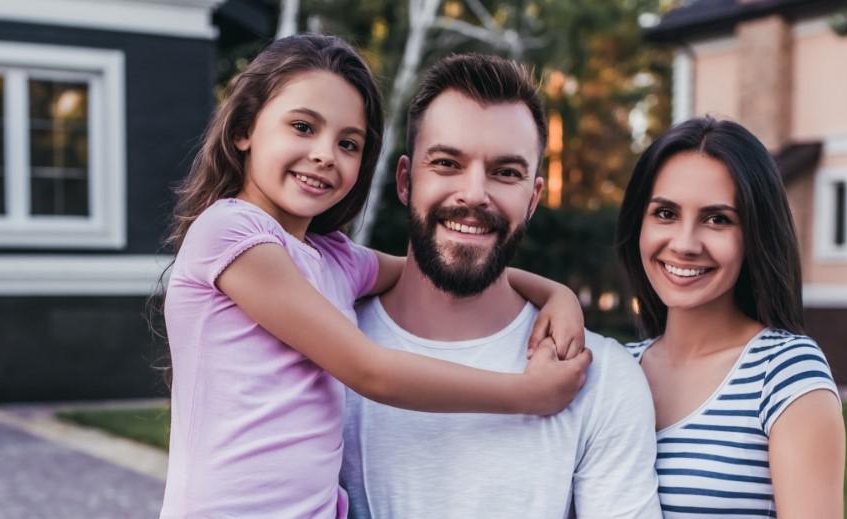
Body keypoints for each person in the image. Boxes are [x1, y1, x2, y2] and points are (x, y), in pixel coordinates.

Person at [159, 34, 593, 518]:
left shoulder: (335, 259)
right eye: (303, 127)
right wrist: (527, 395)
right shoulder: (229, 233)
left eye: (348, 143)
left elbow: (434, 265)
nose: (325, 154)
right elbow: (371, 370)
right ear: (244, 128)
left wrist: (556, 295)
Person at [339, 53, 662, 519]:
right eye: (448, 163)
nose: (474, 194)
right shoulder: (328, 352)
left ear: (533, 199)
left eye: (506, 172)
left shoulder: (598, 379)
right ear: (406, 181)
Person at [615, 117, 846, 518]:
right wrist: (554, 296)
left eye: (717, 219)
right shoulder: (614, 369)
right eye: (665, 214)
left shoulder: (784, 372)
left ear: (754, 233)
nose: (685, 244)